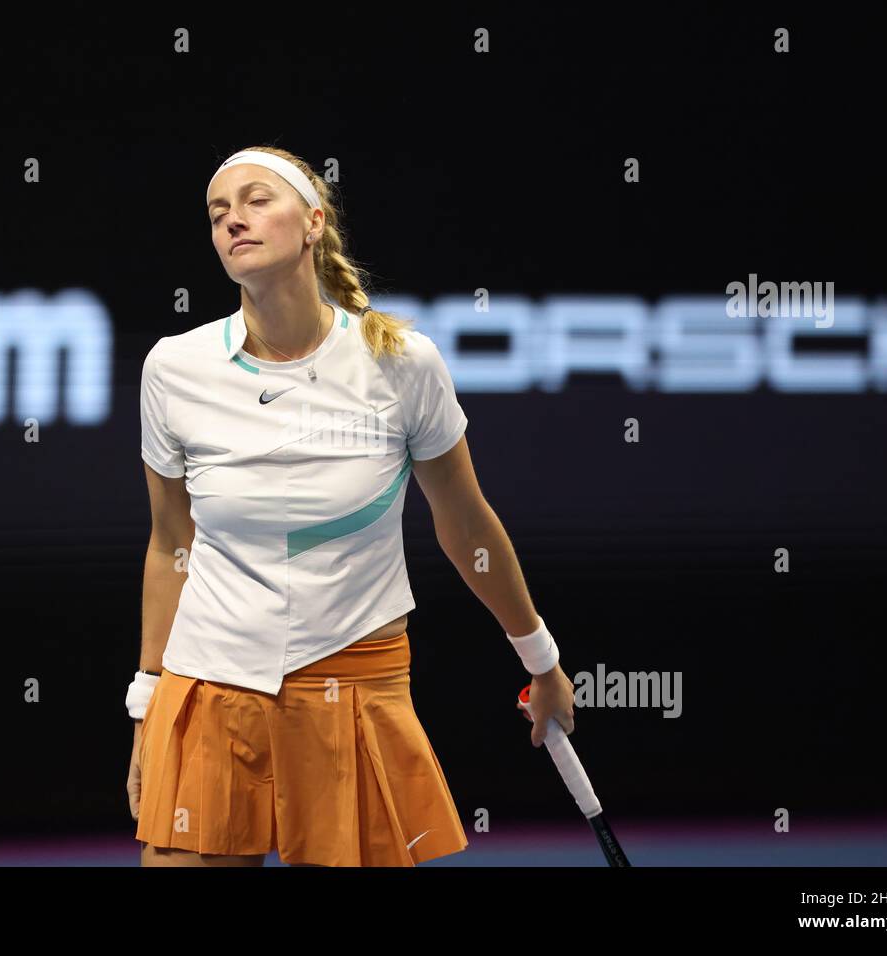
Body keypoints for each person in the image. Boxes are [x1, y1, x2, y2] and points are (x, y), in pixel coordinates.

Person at [126, 146, 576, 867]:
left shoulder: (401, 362)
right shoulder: (174, 368)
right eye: (217, 213)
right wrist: (146, 704)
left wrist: (541, 659)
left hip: (353, 683)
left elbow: (466, 524)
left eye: (254, 200)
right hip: (208, 684)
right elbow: (169, 543)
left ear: (313, 222)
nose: (233, 219)